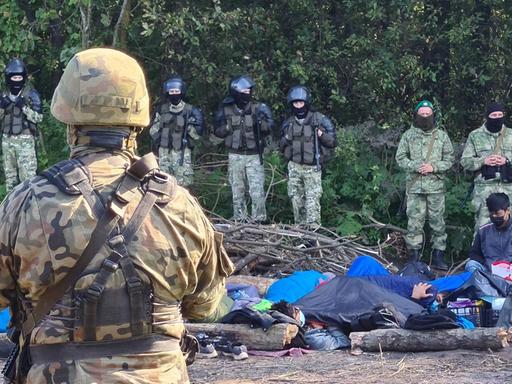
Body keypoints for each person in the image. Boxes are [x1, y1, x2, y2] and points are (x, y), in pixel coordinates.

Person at [0, 48, 234, 384]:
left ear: (69, 120)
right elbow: (206, 304)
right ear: (138, 118)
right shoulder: (179, 204)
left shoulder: (26, 202)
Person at [396, 100, 454, 270]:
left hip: (436, 187)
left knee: (438, 223)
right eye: (422, 114)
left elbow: (450, 159)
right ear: (416, 115)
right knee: (414, 223)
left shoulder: (442, 136)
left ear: (433, 115)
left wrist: (433, 167)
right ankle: (414, 258)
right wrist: (416, 166)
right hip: (414, 188)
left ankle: (438, 257)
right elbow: (400, 157)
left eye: (428, 114)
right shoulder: (408, 135)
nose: (425, 117)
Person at [214, 75, 273, 222]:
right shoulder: (226, 110)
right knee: (237, 191)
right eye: (244, 90)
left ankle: (258, 220)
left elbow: (270, 128)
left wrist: (259, 123)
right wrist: (228, 127)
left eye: (249, 90)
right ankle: (239, 220)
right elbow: (217, 132)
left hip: (254, 155)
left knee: (257, 191)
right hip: (235, 155)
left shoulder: (259, 108)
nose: (247, 93)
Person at [279, 85, 336, 226]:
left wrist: (321, 135)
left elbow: (333, 142)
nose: (298, 105)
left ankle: (313, 235)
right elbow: (281, 146)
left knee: (312, 202)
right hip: (294, 167)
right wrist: (286, 137)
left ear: (306, 102)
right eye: (295, 103)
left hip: (312, 168)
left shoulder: (320, 120)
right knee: (296, 201)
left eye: (301, 102)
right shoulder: (289, 123)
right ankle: (300, 232)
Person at [461, 102, 512, 234]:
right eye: (494, 115)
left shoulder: (510, 135)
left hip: (508, 188)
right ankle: (479, 255)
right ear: (487, 117)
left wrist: (506, 160)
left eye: (500, 115)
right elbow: (465, 161)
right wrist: (484, 161)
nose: (497, 117)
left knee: (509, 228)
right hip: (484, 189)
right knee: (482, 229)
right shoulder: (475, 136)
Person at [149, 76, 204, 187]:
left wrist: (188, 127)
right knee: (163, 183)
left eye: (176, 91)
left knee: (183, 184)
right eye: (171, 91)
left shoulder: (191, 111)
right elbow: (152, 131)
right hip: (164, 152)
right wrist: (161, 137)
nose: (174, 94)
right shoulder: (161, 109)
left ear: (181, 92)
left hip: (182, 152)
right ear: (167, 92)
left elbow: (198, 136)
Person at [0, 58, 42, 192]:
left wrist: (24, 107)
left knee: (28, 180)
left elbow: (39, 118)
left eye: (19, 77)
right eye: (14, 77)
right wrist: (2, 107)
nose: (16, 79)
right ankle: (11, 210)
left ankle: (30, 209)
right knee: (10, 180)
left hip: (26, 142)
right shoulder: (3, 95)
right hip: (7, 141)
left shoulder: (31, 94)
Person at [466, 192, 512, 273]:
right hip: (489, 271)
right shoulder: (483, 230)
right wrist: (489, 265)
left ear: (507, 211)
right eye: (491, 213)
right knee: (471, 264)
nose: (494, 216)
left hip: (509, 272)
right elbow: (474, 254)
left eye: (497, 213)